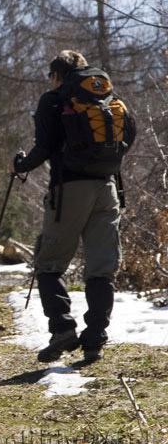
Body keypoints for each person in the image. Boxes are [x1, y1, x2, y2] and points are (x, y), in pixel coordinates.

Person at [12, 50, 134, 363]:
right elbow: (129, 134)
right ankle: (94, 339)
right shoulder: (106, 98)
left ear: (57, 75)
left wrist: (21, 165)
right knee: (101, 268)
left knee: (49, 263)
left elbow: (45, 146)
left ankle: (63, 330)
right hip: (107, 188)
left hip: (69, 191)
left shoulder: (53, 100)